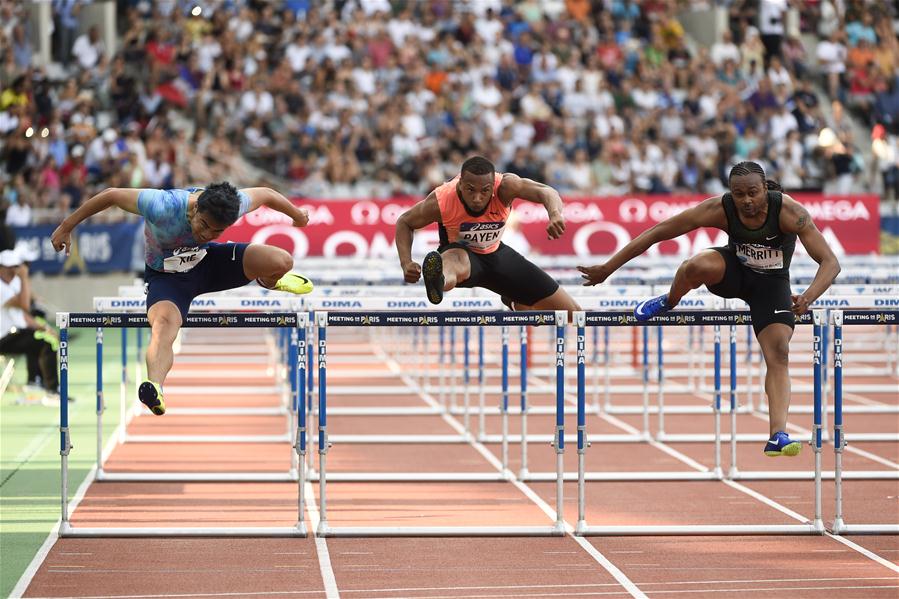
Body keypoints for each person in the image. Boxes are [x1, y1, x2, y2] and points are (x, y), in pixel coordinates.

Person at [577, 161, 841, 457]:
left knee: (779, 352)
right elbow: (658, 232)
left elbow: (830, 262)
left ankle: (777, 435)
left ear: (765, 189)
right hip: (733, 274)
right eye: (739, 194)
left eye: (753, 193)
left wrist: (808, 296)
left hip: (771, 285)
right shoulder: (720, 209)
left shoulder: (791, 213)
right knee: (695, 265)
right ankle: (669, 301)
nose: (746, 201)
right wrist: (608, 269)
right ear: (730, 193)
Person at [50, 183, 313, 416]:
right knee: (164, 326)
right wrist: (65, 227)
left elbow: (266, 193)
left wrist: (297, 215)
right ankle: (155, 386)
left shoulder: (233, 204)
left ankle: (269, 281)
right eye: (204, 225)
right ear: (196, 208)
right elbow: (110, 195)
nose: (207, 233)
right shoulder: (162, 205)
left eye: (217, 230)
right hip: (168, 278)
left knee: (282, 261)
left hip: (209, 262)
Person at [395, 156, 580, 313]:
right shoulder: (441, 200)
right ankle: (438, 281)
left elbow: (547, 191)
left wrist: (555, 214)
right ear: (459, 185)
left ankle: (514, 299)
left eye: (485, 191)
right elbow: (405, 221)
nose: (477, 198)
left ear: (493, 186)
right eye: (470, 190)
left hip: (497, 255)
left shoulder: (507, 186)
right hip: (461, 256)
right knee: (454, 259)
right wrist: (406, 262)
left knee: (574, 314)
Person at [0, 249, 60, 402]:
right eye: (10, 267)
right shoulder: (1, 288)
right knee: (44, 344)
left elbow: (24, 317)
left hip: (11, 335)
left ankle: (36, 381)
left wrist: (45, 328)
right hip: (4, 340)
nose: (14, 271)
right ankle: (51, 390)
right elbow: (25, 307)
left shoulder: (8, 286)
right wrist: (24, 278)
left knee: (40, 340)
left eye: (15, 267)